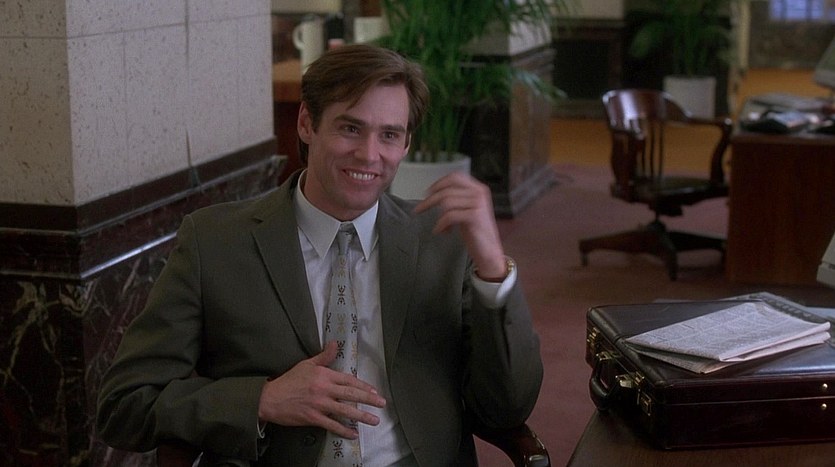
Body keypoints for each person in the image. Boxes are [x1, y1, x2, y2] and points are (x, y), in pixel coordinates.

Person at [96, 43, 543, 466]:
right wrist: (262, 400)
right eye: (350, 128)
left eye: (389, 135)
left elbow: (507, 409)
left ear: (406, 144)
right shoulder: (214, 242)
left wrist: (492, 271)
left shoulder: (444, 241)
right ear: (307, 124)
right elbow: (124, 405)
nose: (369, 155)